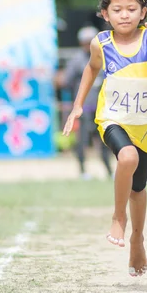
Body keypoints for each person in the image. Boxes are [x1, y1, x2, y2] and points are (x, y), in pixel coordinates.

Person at [63, 0, 147, 277]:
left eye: (131, 9)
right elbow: (90, 70)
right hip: (111, 118)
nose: (124, 15)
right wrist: (77, 106)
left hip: (144, 125)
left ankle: (137, 241)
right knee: (126, 156)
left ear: (143, 11)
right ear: (105, 13)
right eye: (117, 9)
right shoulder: (100, 43)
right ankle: (118, 217)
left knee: (138, 189)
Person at [55, 25, 113, 180]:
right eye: (86, 42)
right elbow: (66, 81)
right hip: (84, 108)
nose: (88, 45)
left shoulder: (106, 58)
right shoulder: (76, 61)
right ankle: (82, 171)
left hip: (103, 107)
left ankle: (109, 171)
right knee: (82, 141)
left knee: (106, 140)